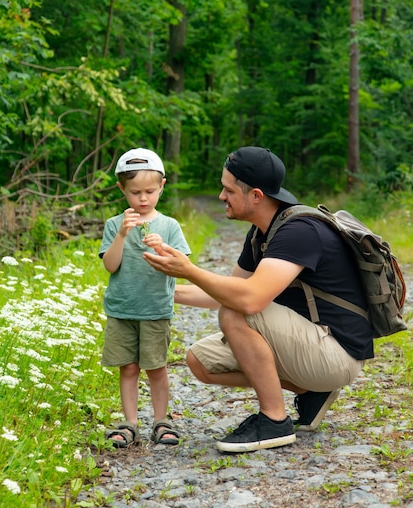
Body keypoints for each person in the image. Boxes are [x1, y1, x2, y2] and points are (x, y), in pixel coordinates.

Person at [143, 146, 374, 453]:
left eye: (228, 190)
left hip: (337, 352)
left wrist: (188, 270)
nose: (221, 197)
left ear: (256, 196)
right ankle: (311, 391)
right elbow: (227, 289)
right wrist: (162, 295)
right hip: (313, 345)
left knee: (235, 313)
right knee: (200, 361)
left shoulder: (299, 231)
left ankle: (273, 420)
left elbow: (249, 301)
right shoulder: (262, 232)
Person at [99, 148, 191, 448]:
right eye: (135, 192)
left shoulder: (169, 226)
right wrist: (122, 236)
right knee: (128, 366)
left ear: (162, 186)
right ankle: (130, 423)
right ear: (121, 189)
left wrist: (163, 248)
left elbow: (181, 267)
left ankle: (162, 421)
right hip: (122, 309)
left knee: (156, 367)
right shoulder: (115, 224)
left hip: (155, 309)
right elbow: (110, 265)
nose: (143, 199)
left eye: (150, 191)